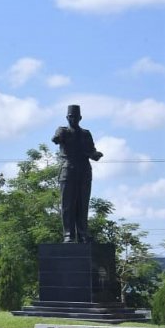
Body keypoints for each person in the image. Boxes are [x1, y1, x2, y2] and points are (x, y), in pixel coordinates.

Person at [52, 104, 103, 243]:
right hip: (68, 170)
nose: (73, 119)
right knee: (68, 204)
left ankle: (82, 233)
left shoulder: (86, 134)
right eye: (70, 117)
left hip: (84, 171)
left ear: (80, 118)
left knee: (83, 203)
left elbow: (91, 151)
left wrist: (95, 154)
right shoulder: (63, 131)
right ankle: (68, 234)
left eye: (75, 117)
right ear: (67, 117)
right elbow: (56, 139)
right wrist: (59, 136)